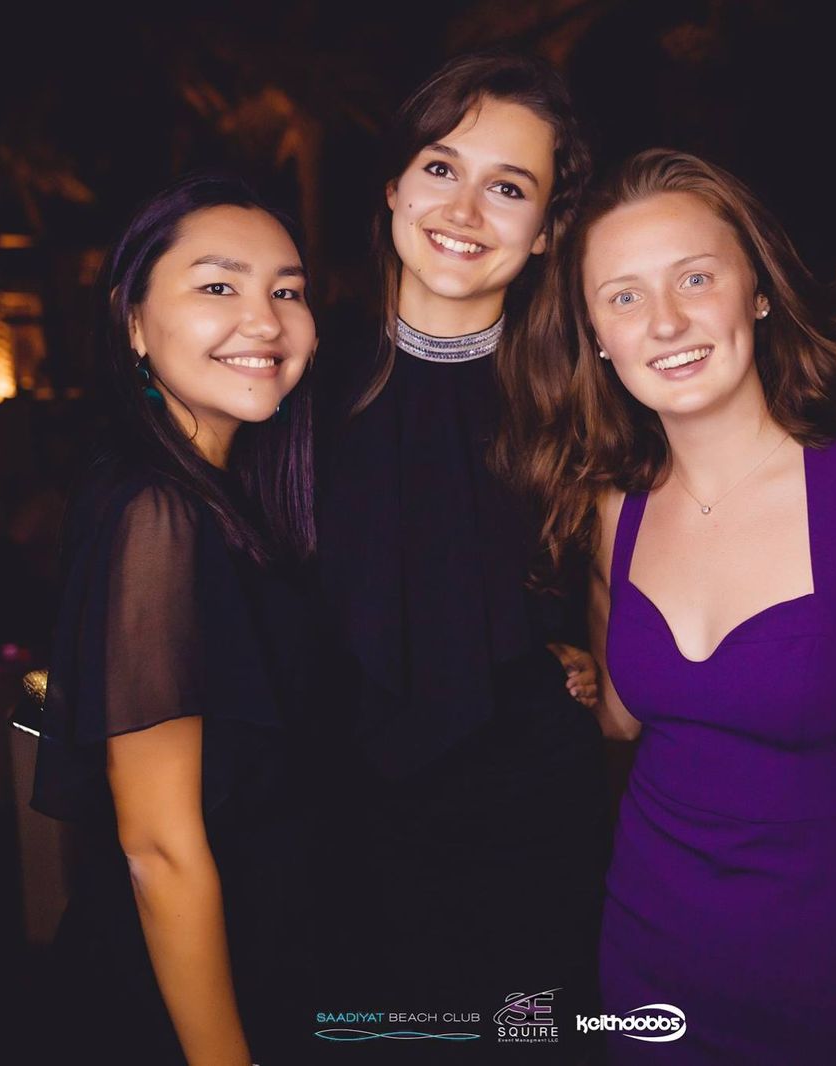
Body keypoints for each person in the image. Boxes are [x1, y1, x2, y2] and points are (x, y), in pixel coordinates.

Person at [536, 149, 836, 1063]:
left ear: (757, 291)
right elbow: (628, 718)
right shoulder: (611, 512)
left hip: (831, 994)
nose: (665, 321)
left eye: (695, 278)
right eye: (624, 296)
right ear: (596, 336)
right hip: (644, 970)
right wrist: (576, 673)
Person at [316, 50, 609, 1062]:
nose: (465, 209)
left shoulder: (583, 405)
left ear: (546, 230)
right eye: (441, 167)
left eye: (509, 187)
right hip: (336, 840)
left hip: (529, 843)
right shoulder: (294, 386)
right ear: (394, 185)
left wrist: (596, 653)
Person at [31, 171, 319, 1065]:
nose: (264, 320)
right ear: (133, 323)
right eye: (219, 286)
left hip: (261, 944)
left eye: (287, 291)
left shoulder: (230, 496)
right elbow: (157, 846)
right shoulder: (157, 513)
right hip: (189, 997)